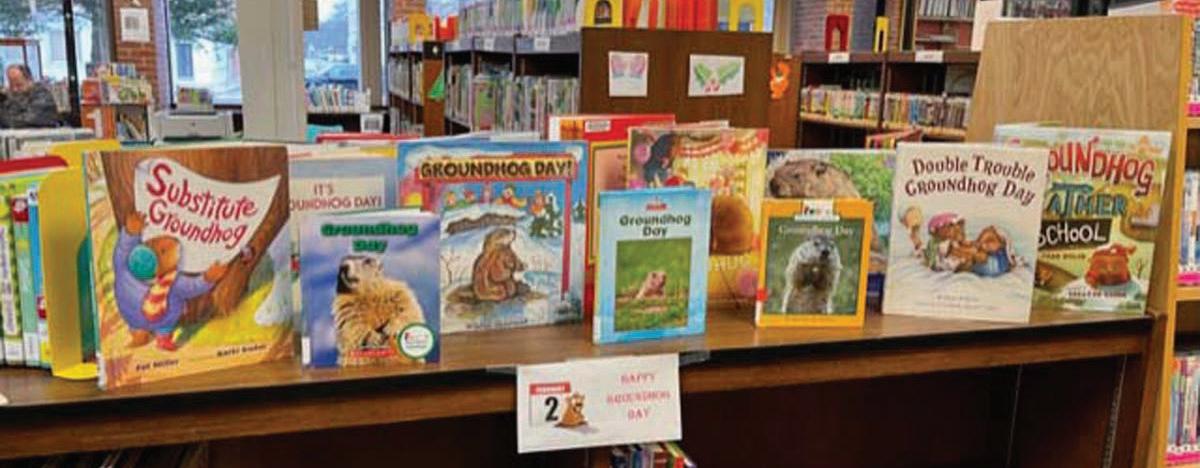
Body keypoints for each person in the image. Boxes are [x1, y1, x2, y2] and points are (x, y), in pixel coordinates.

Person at [0, 64, 60, 128]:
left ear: (29, 80)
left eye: (19, 85)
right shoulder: (9, 97)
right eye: (11, 85)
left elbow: (26, 121)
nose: (15, 89)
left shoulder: (43, 96)